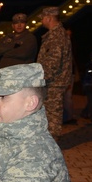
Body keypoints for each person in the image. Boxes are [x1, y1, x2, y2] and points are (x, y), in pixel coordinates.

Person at [36, 7, 73, 138]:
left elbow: (53, 63)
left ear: (49, 18)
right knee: (49, 113)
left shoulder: (56, 36)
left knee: (52, 114)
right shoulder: (56, 34)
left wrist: (40, 79)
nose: (41, 20)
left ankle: (52, 143)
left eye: (42, 18)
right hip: (53, 81)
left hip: (54, 82)